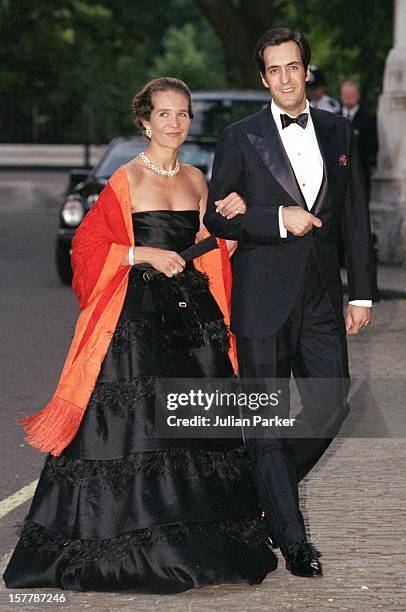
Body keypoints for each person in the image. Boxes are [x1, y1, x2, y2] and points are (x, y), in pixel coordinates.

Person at [3, 78, 277, 592]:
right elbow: (86, 246)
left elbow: (209, 250)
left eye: (183, 114)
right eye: (164, 114)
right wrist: (143, 253)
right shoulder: (124, 180)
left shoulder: (199, 180)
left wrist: (227, 226)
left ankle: (196, 547)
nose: (175, 123)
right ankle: (134, 548)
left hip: (194, 321)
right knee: (139, 429)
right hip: (134, 322)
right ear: (144, 121)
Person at [204, 28, 374, 577]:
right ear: (264, 78)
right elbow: (215, 215)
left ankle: (260, 486)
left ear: (306, 71)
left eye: (292, 68)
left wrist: (362, 292)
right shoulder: (239, 136)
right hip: (260, 296)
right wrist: (275, 218)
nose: (283, 78)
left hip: (325, 296)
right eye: (273, 70)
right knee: (265, 419)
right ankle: (294, 541)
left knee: (331, 405)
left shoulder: (338, 130)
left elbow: (355, 217)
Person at [340, 80, 379, 300]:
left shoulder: (367, 118)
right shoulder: (335, 114)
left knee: (360, 228)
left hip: (360, 180)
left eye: (351, 95)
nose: (347, 99)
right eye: (344, 95)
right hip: (338, 182)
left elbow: (371, 148)